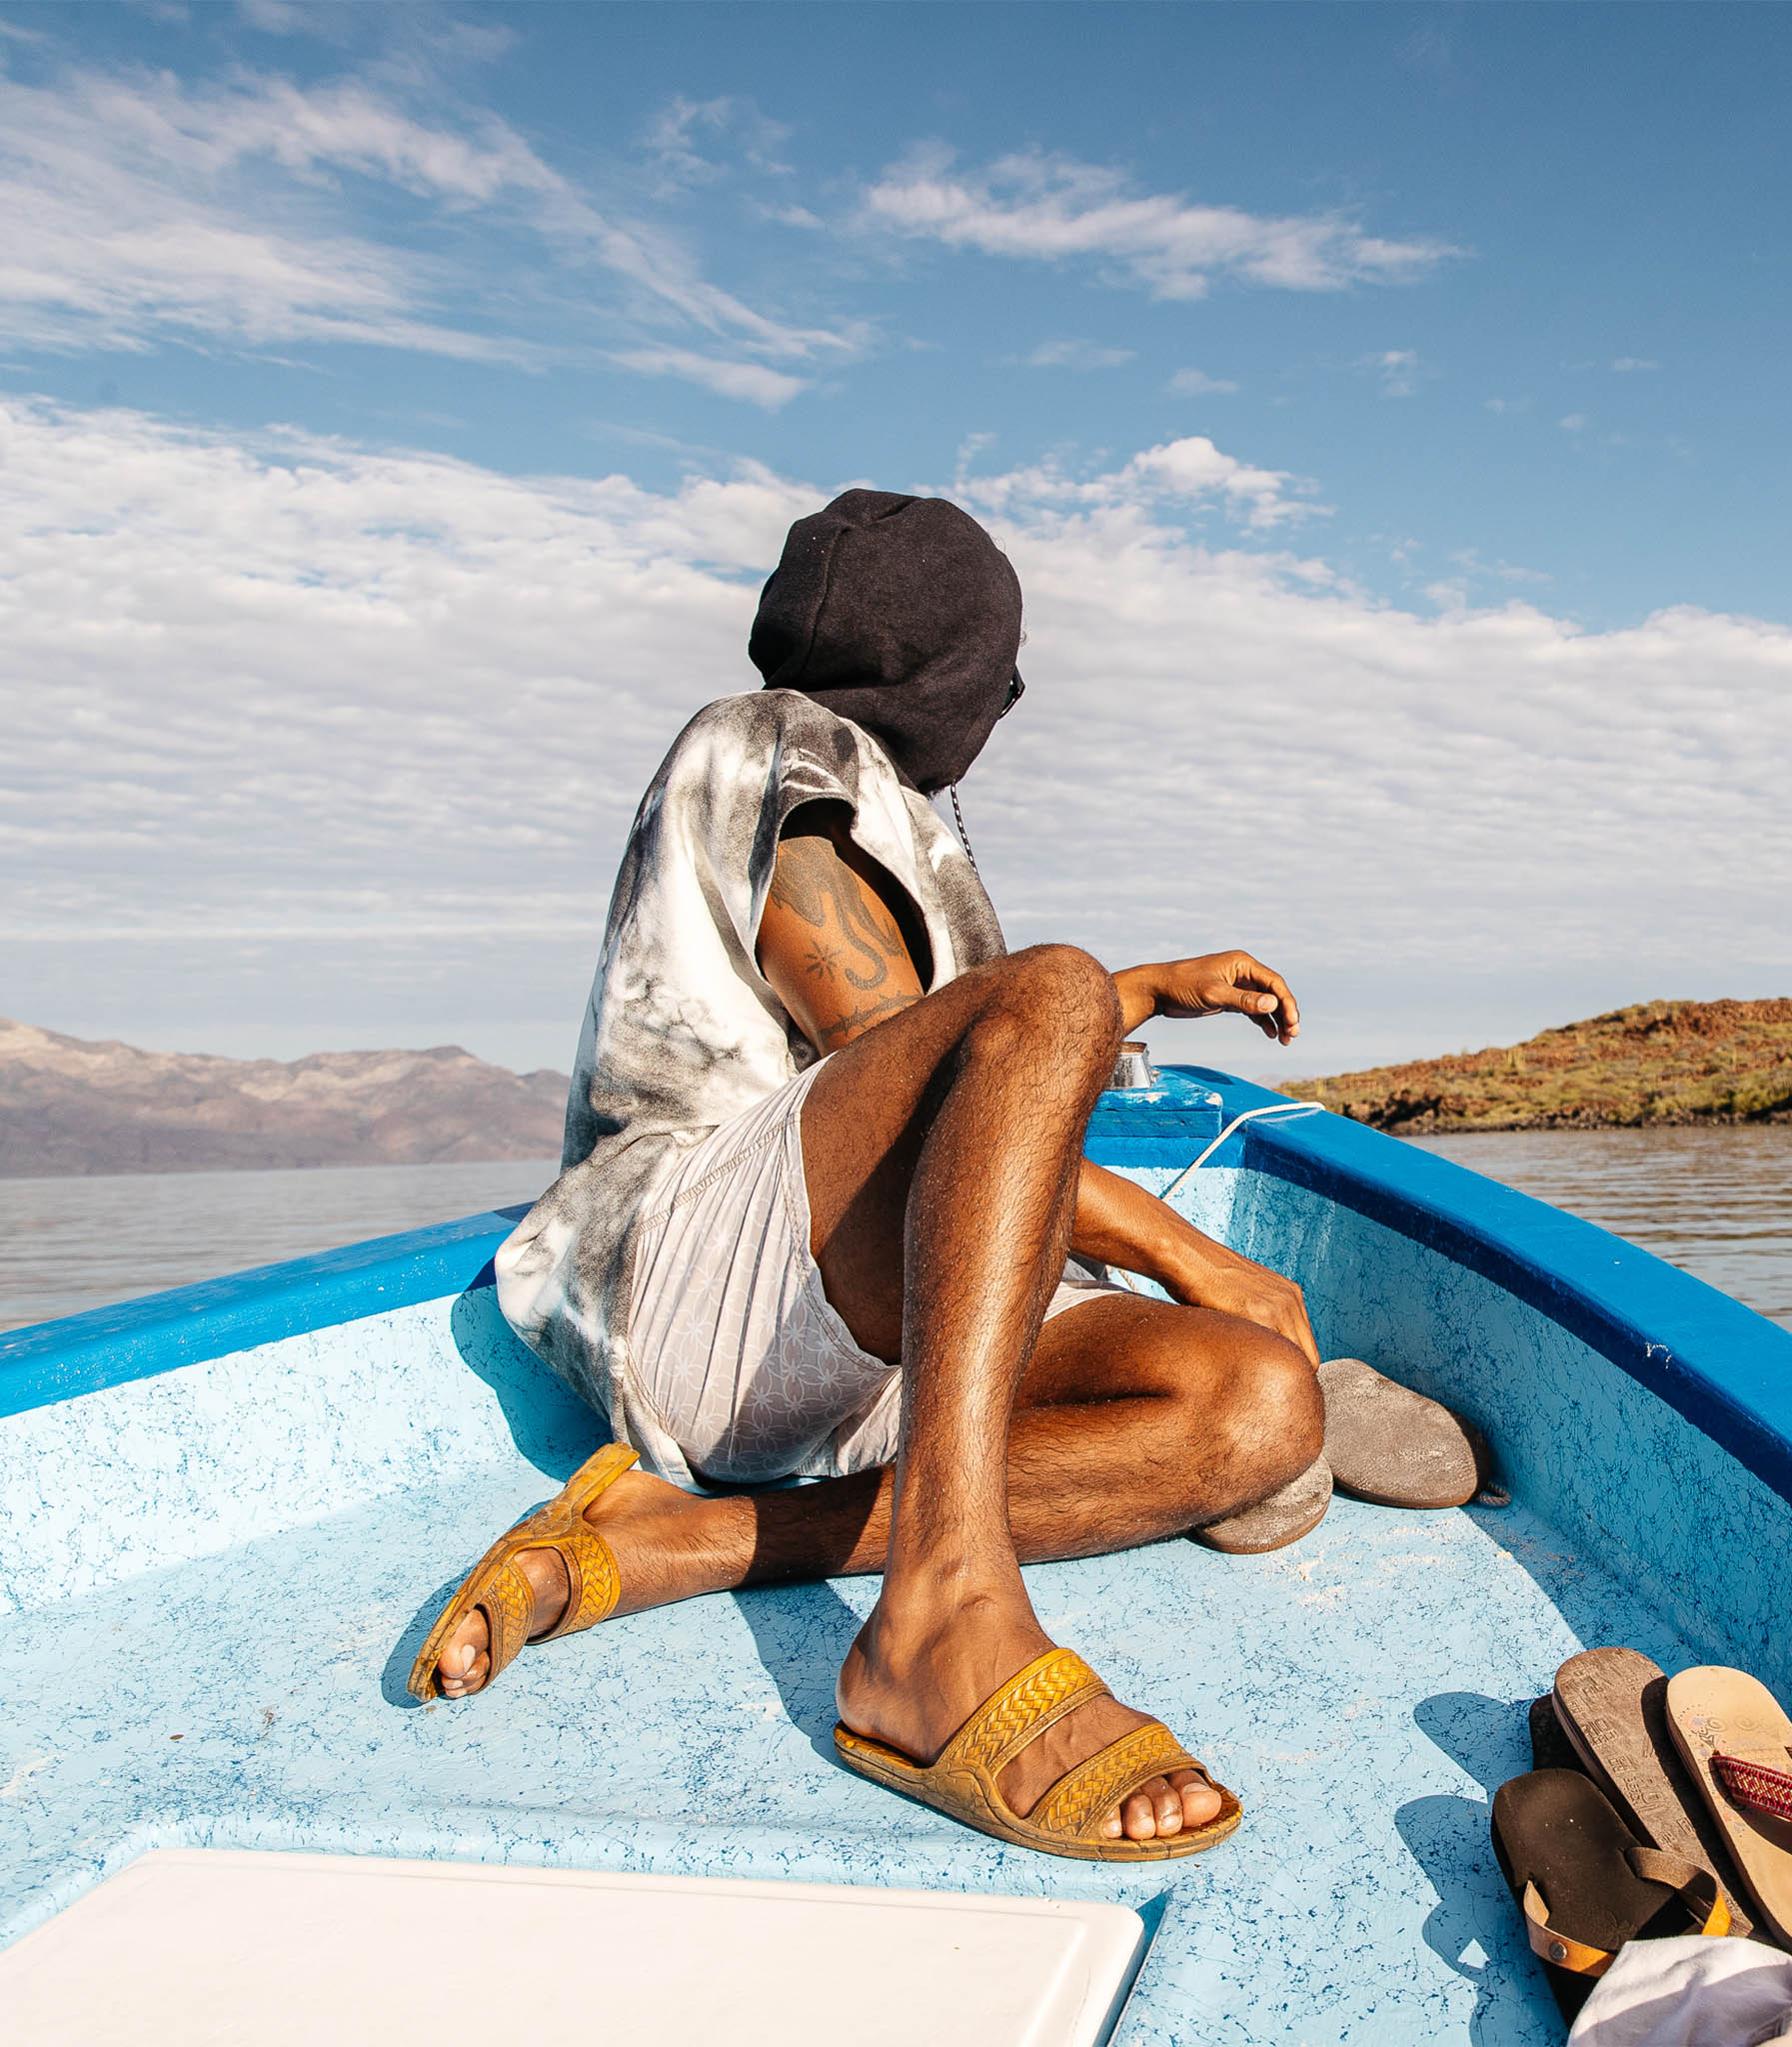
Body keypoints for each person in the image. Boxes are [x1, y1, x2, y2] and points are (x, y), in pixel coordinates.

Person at [408, 490, 1325, 1859]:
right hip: (694, 1290)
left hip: (845, 1330)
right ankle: (939, 1614)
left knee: (1258, 1407)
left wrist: (1146, 988)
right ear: (956, 676)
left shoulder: (876, 807)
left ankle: (678, 1545)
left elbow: (943, 1059)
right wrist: (1195, 1253)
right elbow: (916, 1065)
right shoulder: (768, 748)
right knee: (1054, 995)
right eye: (993, 683)